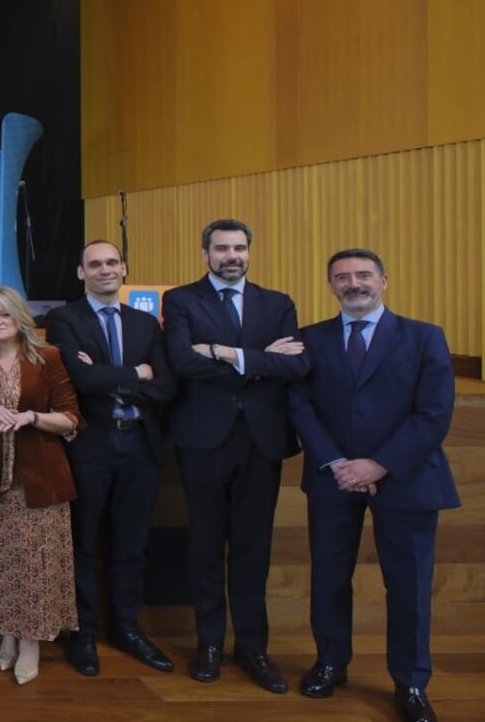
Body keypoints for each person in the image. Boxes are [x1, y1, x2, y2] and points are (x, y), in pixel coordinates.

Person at [288, 249, 458, 722]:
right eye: (342, 277)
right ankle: (330, 663)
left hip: (406, 478)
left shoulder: (424, 337)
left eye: (363, 275)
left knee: (409, 586)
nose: (353, 283)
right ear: (331, 286)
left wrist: (379, 465)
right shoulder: (310, 339)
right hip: (334, 478)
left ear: (383, 280)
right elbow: (301, 406)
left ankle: (411, 683)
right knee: (329, 577)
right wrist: (339, 463)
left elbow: (434, 413)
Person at [162, 219, 308, 692]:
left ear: (249, 252)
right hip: (203, 439)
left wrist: (224, 352)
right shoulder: (182, 300)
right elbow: (182, 361)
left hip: (261, 440)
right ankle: (209, 643)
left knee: (253, 548)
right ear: (205, 253)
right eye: (222, 248)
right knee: (205, 545)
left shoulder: (278, 303)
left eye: (240, 248)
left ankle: (252, 647)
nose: (232, 256)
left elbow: (295, 364)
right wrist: (259, 360)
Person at [46, 240, 178, 676]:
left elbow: (166, 386)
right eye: (95, 264)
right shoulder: (65, 318)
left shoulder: (145, 323)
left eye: (112, 263)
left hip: (140, 445)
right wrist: (136, 374)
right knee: (83, 541)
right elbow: (79, 379)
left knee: (131, 544)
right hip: (91, 446)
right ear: (81, 272)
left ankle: (127, 628)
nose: (105, 270)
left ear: (124, 269)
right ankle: (82, 633)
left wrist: (111, 380)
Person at [0, 285, 82, 686]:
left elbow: (71, 418)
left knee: (36, 565)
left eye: (4, 313)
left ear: (20, 316)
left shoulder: (47, 357)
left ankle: (31, 641)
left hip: (40, 478)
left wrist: (32, 417)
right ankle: (7, 634)